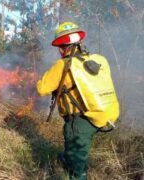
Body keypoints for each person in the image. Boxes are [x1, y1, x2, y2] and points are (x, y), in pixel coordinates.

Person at [36, 22, 111, 180]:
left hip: (79, 121)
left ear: (65, 47)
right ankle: (70, 159)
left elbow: (42, 89)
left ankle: (77, 171)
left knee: (77, 165)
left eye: (60, 47)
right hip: (97, 117)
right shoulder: (94, 60)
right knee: (77, 151)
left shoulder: (63, 64)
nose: (60, 51)